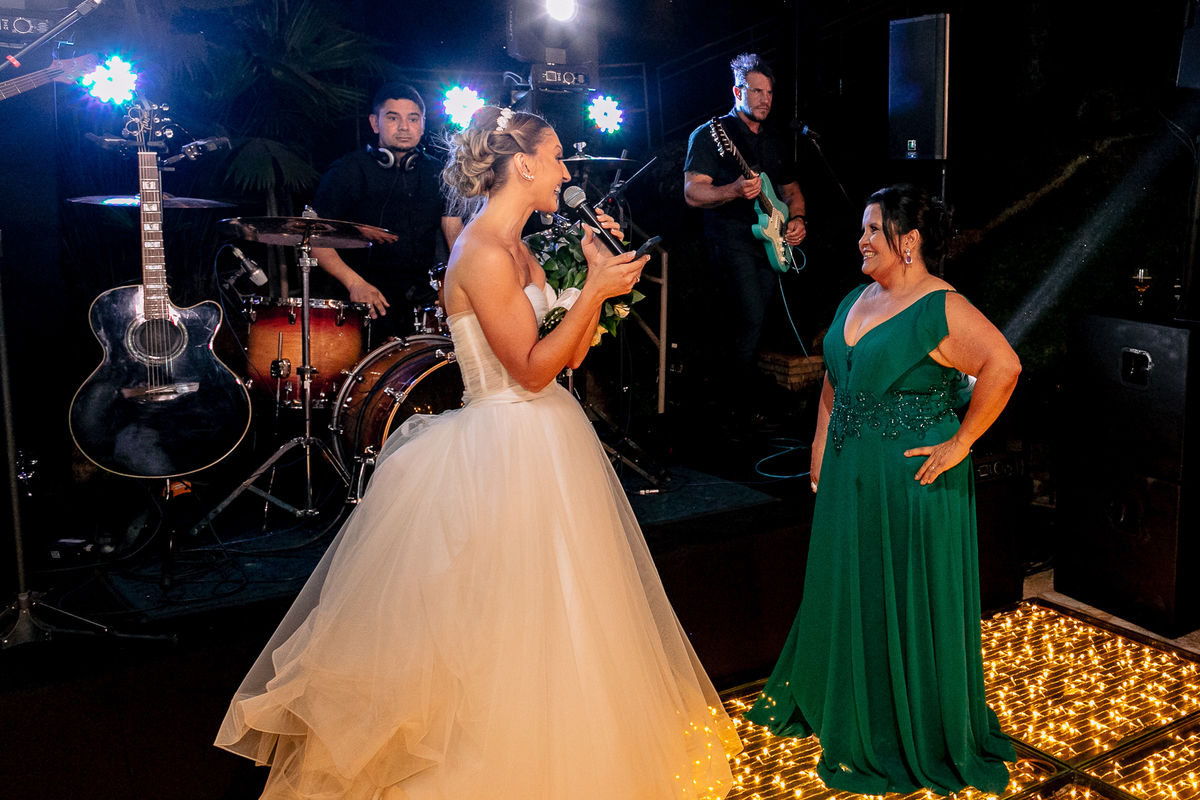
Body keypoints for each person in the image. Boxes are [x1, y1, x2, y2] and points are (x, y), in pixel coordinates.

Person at [215, 106, 742, 800]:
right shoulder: (485, 253)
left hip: (549, 435)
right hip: (505, 445)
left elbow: (566, 358)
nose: (565, 170)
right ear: (523, 164)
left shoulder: (519, 249)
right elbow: (529, 370)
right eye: (557, 156)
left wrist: (593, 288)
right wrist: (594, 293)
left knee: (563, 615)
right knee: (502, 622)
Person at [744, 184, 1020, 794]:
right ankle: (856, 698)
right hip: (851, 474)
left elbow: (1004, 366)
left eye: (874, 230)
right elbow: (834, 381)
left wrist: (962, 442)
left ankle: (910, 724)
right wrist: (819, 443)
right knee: (857, 586)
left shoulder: (941, 307)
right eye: (864, 229)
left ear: (909, 240)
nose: (862, 240)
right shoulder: (857, 297)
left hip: (912, 484)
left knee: (904, 596)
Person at [683, 53, 807, 428]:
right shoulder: (713, 134)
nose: (765, 99)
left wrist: (797, 219)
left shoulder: (775, 140)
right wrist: (733, 190)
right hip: (730, 238)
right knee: (749, 318)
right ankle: (734, 409)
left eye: (769, 92)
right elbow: (692, 192)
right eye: (756, 91)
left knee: (754, 323)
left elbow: (791, 192)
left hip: (769, 244)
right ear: (737, 92)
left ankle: (735, 403)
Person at [312, 82, 464, 340]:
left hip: (423, 300)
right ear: (375, 123)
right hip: (366, 299)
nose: (404, 127)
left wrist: (452, 284)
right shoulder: (346, 172)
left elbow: (454, 234)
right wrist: (355, 283)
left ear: (422, 124)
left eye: (413, 119)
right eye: (393, 118)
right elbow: (316, 239)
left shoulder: (440, 173)